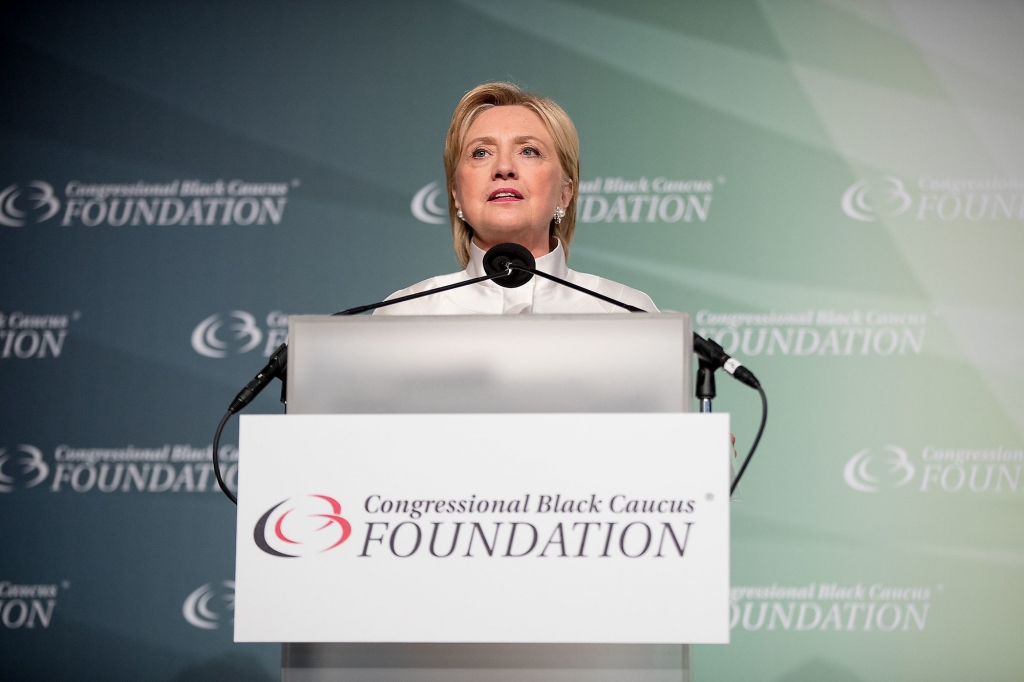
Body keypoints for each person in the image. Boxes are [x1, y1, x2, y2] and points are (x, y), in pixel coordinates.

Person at [374, 82, 658, 315]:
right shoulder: (406, 313)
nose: (504, 168)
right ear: (456, 194)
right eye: (481, 153)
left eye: (529, 151)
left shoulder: (625, 312)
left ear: (565, 193)